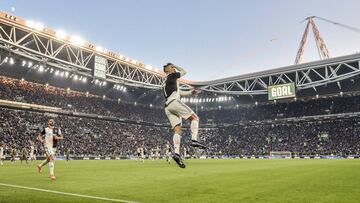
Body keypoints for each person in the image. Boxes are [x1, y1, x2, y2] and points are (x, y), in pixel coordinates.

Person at [162, 63, 206, 168]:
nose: (173, 68)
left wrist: (191, 93)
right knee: (195, 118)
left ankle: (176, 154)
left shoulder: (166, 82)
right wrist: (175, 66)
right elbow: (184, 71)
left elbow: (179, 92)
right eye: (171, 67)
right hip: (174, 102)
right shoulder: (171, 76)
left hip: (168, 107)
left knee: (178, 131)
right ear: (168, 70)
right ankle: (194, 140)